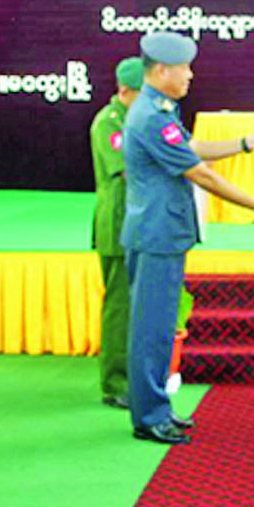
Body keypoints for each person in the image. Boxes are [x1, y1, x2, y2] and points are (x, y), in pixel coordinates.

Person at [122, 30, 254, 444]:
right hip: (157, 235)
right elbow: (200, 173)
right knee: (152, 330)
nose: (191, 75)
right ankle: (149, 417)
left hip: (162, 232)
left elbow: (192, 147)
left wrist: (244, 144)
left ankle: (156, 408)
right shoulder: (151, 117)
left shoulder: (159, 108)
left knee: (159, 327)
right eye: (184, 68)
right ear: (162, 71)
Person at [89, 57, 143, 410]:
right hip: (118, 224)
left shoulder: (138, 119)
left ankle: (133, 377)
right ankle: (115, 383)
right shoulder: (110, 122)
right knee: (120, 308)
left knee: (135, 305)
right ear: (124, 91)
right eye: (143, 93)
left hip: (139, 223)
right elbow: (127, 170)